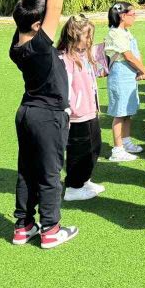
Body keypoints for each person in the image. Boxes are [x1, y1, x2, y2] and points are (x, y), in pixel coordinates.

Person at [9, 0, 78, 248]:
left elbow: (25, 10)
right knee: (50, 173)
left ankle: (23, 227)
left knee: (27, 171)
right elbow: (56, 8)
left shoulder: (17, 43)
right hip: (47, 117)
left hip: (26, 114)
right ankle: (51, 230)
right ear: (38, 26)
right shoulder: (39, 45)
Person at [57, 15, 106, 202]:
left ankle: (84, 180)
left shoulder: (85, 55)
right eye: (86, 35)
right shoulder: (64, 59)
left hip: (90, 110)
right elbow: (65, 87)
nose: (89, 39)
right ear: (74, 35)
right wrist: (70, 109)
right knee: (79, 151)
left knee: (94, 147)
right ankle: (73, 187)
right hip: (77, 114)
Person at [105, 2, 145, 162]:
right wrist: (143, 69)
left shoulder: (126, 32)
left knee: (128, 111)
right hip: (120, 75)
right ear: (122, 16)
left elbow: (135, 54)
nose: (135, 17)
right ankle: (117, 149)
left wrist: (139, 68)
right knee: (119, 113)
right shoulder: (115, 33)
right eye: (132, 14)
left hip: (129, 75)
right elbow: (128, 56)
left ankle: (126, 141)